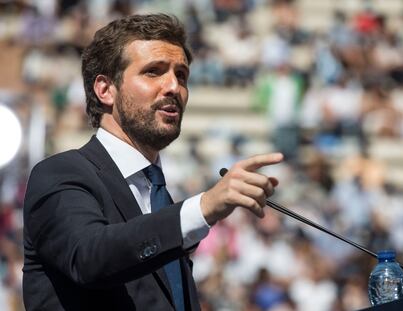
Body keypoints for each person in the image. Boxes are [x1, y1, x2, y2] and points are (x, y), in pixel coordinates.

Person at [22, 14, 283, 311]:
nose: (174, 86)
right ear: (105, 89)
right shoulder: (60, 174)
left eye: (181, 75)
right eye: (153, 72)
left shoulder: (159, 197)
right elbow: (89, 257)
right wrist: (203, 207)